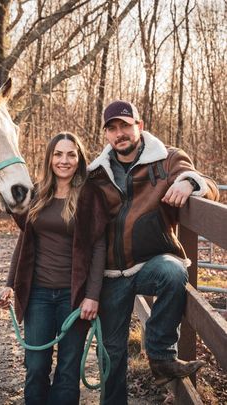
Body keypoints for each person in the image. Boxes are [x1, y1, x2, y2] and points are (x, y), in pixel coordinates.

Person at [88, 100, 220, 404]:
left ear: (139, 126)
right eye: (112, 128)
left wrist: (189, 183)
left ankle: (160, 355)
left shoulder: (166, 159)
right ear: (107, 135)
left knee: (173, 271)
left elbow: (208, 186)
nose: (120, 133)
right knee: (111, 352)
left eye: (125, 126)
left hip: (150, 263)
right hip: (110, 273)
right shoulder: (96, 173)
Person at [0, 132, 108, 405]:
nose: (64, 160)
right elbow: (25, 241)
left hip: (74, 297)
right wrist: (10, 283)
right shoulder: (36, 193)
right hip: (38, 295)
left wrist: (92, 295)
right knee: (35, 366)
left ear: (79, 159)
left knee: (68, 370)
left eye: (71, 154)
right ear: (49, 158)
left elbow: (98, 247)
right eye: (58, 154)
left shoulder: (89, 195)